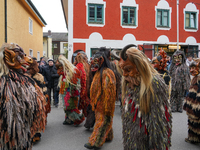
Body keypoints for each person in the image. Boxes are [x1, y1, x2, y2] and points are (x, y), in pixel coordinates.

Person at [118, 44, 172, 150]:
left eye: (128, 69)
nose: (124, 74)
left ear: (139, 66)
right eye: (122, 69)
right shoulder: (130, 83)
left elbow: (159, 126)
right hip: (132, 140)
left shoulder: (154, 84)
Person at [0, 43, 46, 149]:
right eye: (20, 57)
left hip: (24, 132)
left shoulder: (25, 80)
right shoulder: (4, 82)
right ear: (8, 58)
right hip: (7, 137)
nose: (26, 59)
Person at [84, 51, 116, 149]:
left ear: (102, 61)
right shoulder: (98, 72)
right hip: (98, 103)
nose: (93, 65)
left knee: (102, 122)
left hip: (104, 104)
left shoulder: (107, 73)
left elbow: (109, 92)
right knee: (102, 120)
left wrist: (107, 106)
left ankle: (96, 141)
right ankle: (108, 136)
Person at [56, 55, 85, 125]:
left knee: (71, 107)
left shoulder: (73, 70)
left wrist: (74, 91)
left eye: (60, 66)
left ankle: (78, 118)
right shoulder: (63, 71)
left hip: (71, 92)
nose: (59, 68)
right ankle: (68, 119)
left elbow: (77, 83)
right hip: (64, 91)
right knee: (66, 107)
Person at [183, 62, 200, 144]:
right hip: (191, 104)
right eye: (190, 68)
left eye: (193, 68)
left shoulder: (199, 78)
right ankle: (193, 138)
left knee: (196, 123)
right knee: (192, 122)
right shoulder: (195, 77)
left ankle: (195, 138)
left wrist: (197, 105)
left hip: (195, 105)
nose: (191, 70)